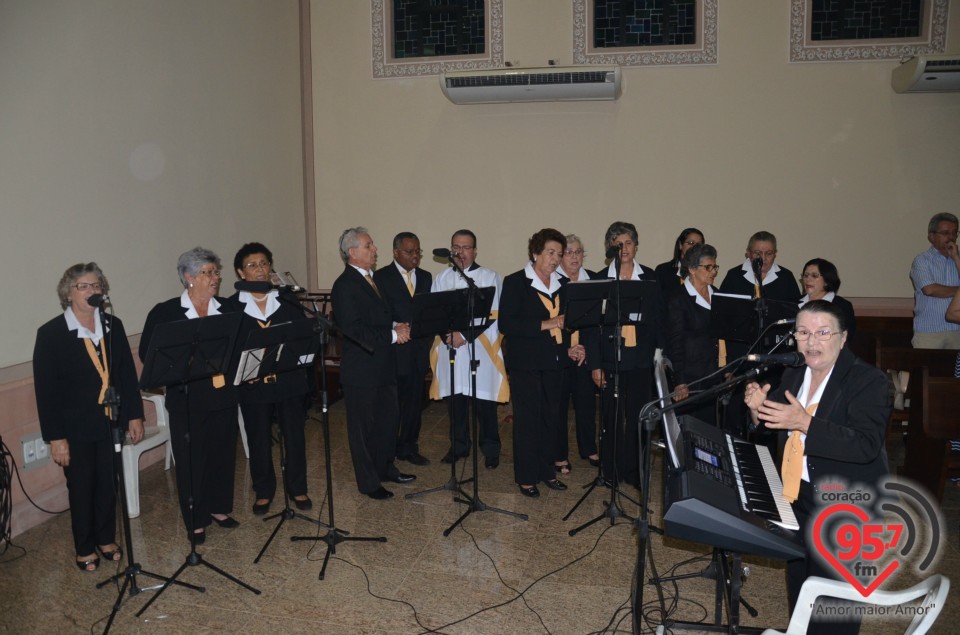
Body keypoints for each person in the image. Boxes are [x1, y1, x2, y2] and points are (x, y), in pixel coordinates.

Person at [744, 300, 890, 635]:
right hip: (801, 496)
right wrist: (757, 409)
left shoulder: (869, 380)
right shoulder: (795, 372)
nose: (812, 341)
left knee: (834, 607)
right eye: (804, 332)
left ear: (843, 337)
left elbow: (865, 444)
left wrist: (806, 423)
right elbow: (776, 422)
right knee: (803, 589)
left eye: (823, 332)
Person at [33, 263, 144, 571]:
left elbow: (124, 374)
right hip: (74, 427)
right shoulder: (52, 334)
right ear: (69, 294)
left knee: (109, 483)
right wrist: (56, 438)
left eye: (97, 286)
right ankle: (84, 547)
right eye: (84, 286)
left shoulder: (112, 325)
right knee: (81, 486)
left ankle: (106, 538)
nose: (93, 291)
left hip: (111, 420)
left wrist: (134, 415)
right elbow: (46, 392)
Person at [140, 247, 242, 543]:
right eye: (207, 273)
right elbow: (150, 353)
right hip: (187, 398)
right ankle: (196, 519)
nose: (215, 278)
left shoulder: (227, 309)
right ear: (188, 277)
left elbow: (240, 345)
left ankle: (219, 508)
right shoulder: (165, 312)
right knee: (191, 459)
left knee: (223, 452)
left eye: (215, 272)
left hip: (222, 394)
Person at [330, 228, 416, 500]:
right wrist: (393, 335)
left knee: (387, 422)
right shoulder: (344, 285)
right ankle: (368, 482)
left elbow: (375, 317)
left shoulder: (370, 279)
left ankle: (385, 467)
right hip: (362, 370)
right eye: (369, 245)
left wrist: (394, 324)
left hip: (383, 365)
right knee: (363, 430)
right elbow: (354, 330)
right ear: (353, 253)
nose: (375, 249)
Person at [231, 242, 313, 516]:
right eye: (252, 265)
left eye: (264, 263)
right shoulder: (232, 308)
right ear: (241, 273)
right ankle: (264, 490)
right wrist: (243, 373)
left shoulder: (287, 300)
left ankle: (298, 486)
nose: (260, 270)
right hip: (254, 386)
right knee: (258, 438)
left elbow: (303, 338)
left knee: (294, 436)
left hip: (289, 381)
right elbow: (229, 351)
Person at [500, 229, 582, 497]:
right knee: (527, 420)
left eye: (559, 254)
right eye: (551, 252)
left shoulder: (563, 284)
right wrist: (548, 323)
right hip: (526, 363)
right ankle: (526, 477)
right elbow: (507, 323)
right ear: (535, 253)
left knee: (551, 418)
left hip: (556, 360)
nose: (556, 259)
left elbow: (570, 322)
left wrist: (573, 346)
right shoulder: (515, 282)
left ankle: (547, 471)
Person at [584, 221, 663, 489]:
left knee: (638, 418)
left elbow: (657, 321)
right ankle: (611, 471)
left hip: (641, 360)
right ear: (610, 248)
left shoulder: (650, 278)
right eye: (618, 244)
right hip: (610, 360)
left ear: (636, 246)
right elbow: (591, 330)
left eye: (628, 243)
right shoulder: (598, 279)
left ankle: (635, 471)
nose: (624, 248)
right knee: (611, 419)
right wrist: (595, 365)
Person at [430, 229, 507, 470]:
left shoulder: (489, 277)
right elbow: (433, 313)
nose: (460, 252)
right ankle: (459, 446)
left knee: (484, 402)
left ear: (475, 250)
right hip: (450, 348)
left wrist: (464, 335)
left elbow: (493, 315)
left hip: (480, 350)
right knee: (456, 401)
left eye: (465, 247)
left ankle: (491, 448)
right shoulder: (441, 278)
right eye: (456, 247)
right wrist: (448, 336)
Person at [373, 232, 433, 466]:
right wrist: (393, 327)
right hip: (392, 352)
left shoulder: (426, 277)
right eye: (410, 252)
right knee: (390, 406)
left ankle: (408, 446)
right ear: (396, 252)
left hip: (417, 352)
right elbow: (376, 314)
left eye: (418, 251)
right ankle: (387, 450)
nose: (415, 256)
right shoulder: (380, 277)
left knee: (413, 404)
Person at [555, 234, 599, 471]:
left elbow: (597, 323)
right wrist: (567, 348)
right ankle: (560, 455)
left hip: (585, 352)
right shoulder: (552, 281)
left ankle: (589, 449)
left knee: (586, 404)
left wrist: (585, 349)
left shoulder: (592, 279)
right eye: (569, 252)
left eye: (578, 252)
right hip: (561, 352)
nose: (574, 256)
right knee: (559, 406)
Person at [665, 244, 720, 425]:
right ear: (692, 269)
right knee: (689, 431)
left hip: (714, 374)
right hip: (689, 378)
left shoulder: (718, 295)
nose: (713, 272)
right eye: (708, 267)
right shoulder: (679, 299)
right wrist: (679, 381)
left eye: (715, 267)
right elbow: (675, 342)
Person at [910, 212, 960, 349]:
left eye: (954, 233)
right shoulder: (922, 261)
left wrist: (956, 258)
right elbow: (930, 289)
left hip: (957, 330)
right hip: (929, 332)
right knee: (928, 369)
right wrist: (958, 290)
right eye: (945, 233)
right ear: (931, 236)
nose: (951, 237)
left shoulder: (959, 260)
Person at [719, 230, 800, 302]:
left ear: (775, 254)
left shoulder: (786, 277)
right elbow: (721, 308)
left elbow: (795, 311)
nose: (763, 258)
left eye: (769, 253)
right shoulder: (734, 276)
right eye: (758, 253)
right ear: (748, 253)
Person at [798, 258, 856, 345]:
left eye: (814, 276)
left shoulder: (842, 306)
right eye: (806, 275)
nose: (808, 279)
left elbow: (846, 339)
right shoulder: (795, 302)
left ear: (826, 281)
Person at [654, 227, 705, 296]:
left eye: (698, 245)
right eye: (691, 243)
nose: (695, 247)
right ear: (680, 245)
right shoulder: (663, 270)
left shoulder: (704, 272)